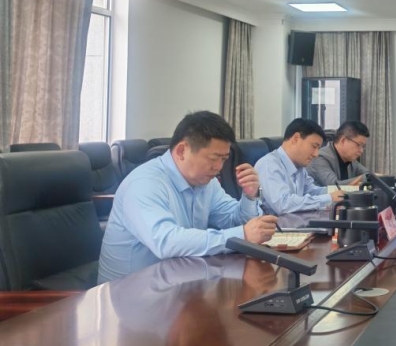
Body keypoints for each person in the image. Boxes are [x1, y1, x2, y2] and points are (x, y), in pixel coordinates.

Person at [98, 111, 276, 283]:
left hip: (179, 282)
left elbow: (233, 221)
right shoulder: (144, 184)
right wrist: (242, 235)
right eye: (213, 158)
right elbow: (166, 242)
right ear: (182, 151)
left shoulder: (206, 182)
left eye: (224, 159)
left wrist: (250, 196)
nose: (219, 167)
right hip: (130, 293)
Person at [255, 118, 342, 225]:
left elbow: (312, 191)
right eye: (314, 146)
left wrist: (341, 192)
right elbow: (283, 204)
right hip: (272, 230)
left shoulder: (299, 167)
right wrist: (329, 198)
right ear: (296, 139)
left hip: (294, 225)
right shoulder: (269, 165)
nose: (316, 154)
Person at [307, 121, 371, 187]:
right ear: (343, 141)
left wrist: (370, 178)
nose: (361, 151)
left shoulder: (350, 160)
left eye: (363, 146)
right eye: (359, 145)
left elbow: (368, 174)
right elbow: (334, 186)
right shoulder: (319, 158)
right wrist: (366, 179)